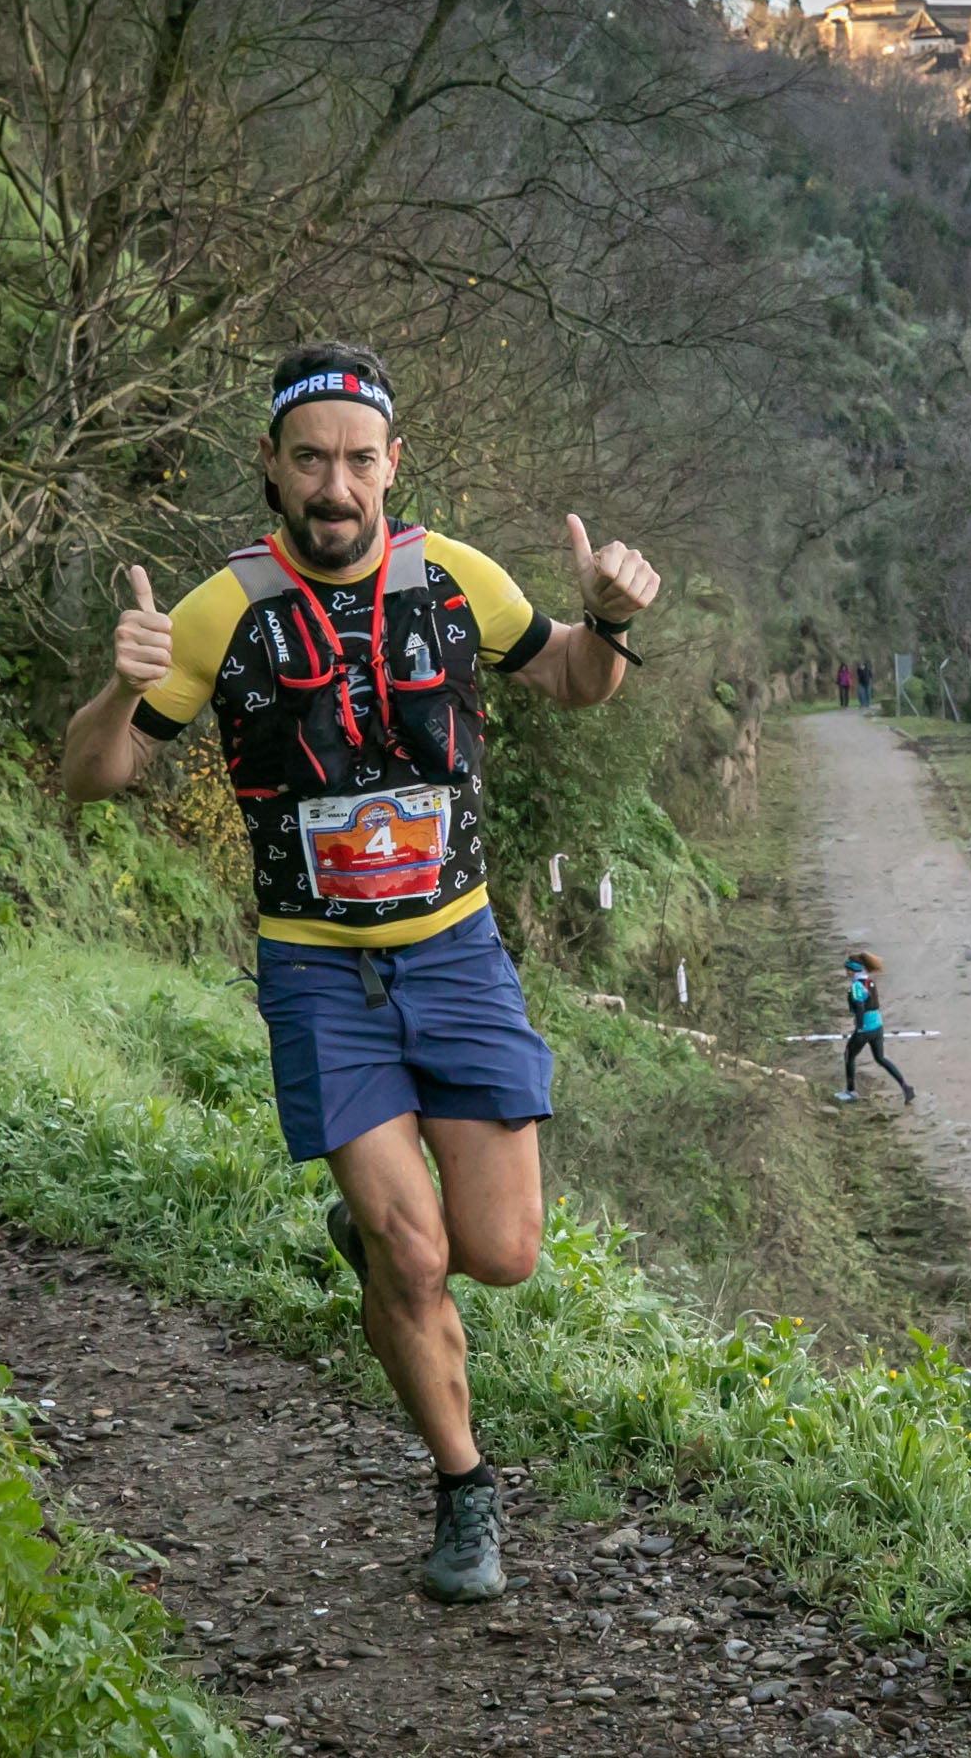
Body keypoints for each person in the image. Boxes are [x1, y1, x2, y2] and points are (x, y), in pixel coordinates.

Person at [59, 341, 658, 1605]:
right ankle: (464, 1487)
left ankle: (382, 1244)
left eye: (357, 460)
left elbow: (573, 678)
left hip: (459, 953)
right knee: (414, 1251)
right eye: (311, 461)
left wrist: (606, 620)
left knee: (502, 1252)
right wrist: (118, 694)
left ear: (392, 464)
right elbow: (94, 778)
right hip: (320, 974)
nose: (335, 486)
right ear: (271, 467)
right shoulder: (221, 611)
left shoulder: (455, 578)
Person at [834, 952, 914, 1105]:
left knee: (849, 1055)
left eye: (847, 970)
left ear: (853, 970)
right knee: (880, 1058)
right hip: (878, 1026)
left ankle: (851, 1092)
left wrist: (859, 1027)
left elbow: (859, 1007)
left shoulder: (856, 986)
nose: (846, 973)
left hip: (865, 1029)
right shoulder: (869, 981)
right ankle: (906, 1087)